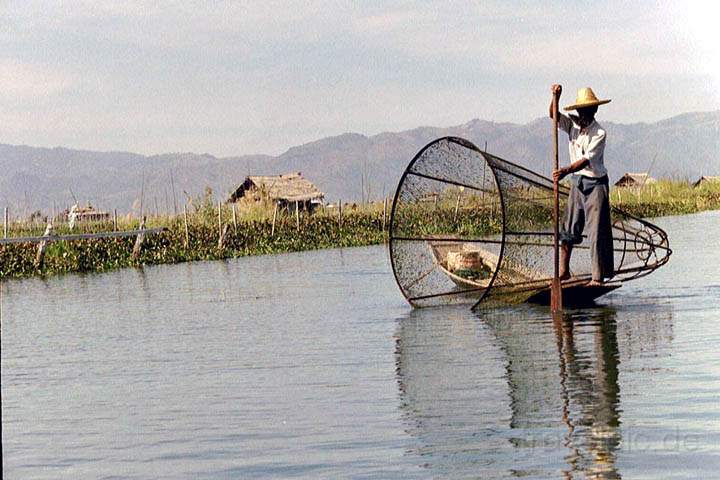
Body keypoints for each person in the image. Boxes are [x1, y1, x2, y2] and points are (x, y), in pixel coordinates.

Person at [549, 85, 614, 286]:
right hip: (577, 182)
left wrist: (565, 170)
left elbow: (586, 160)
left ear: (594, 111)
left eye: (586, 111)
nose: (582, 114)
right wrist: (556, 98)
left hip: (596, 184)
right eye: (580, 111)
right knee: (569, 228)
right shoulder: (573, 126)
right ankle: (563, 272)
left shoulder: (599, 132)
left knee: (596, 231)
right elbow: (553, 114)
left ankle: (597, 277)